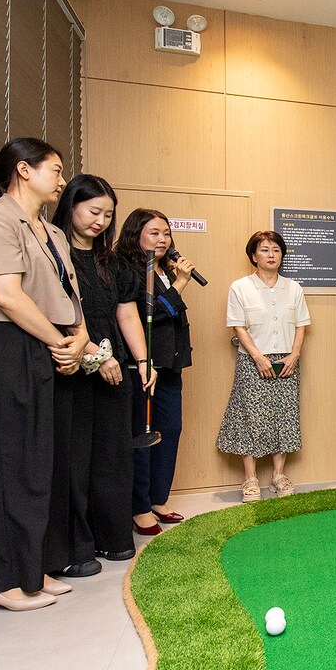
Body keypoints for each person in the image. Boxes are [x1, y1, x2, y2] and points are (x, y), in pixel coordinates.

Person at [0, 138, 86, 612]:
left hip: (48, 346)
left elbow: (70, 298)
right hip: (4, 346)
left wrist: (80, 342)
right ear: (22, 170)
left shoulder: (52, 233)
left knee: (43, 463)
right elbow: (8, 296)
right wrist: (59, 343)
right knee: (4, 463)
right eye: (53, 170)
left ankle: (37, 570)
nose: (61, 180)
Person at [46, 175, 154, 578]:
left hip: (114, 371)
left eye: (108, 215)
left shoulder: (115, 263)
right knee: (75, 458)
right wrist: (97, 355)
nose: (101, 221)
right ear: (71, 206)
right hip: (72, 367)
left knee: (113, 456)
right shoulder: (53, 256)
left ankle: (114, 538)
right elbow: (58, 317)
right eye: (94, 212)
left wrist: (143, 362)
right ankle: (77, 547)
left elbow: (126, 314)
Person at [118, 209, 196, 535]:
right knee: (144, 436)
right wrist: (180, 284)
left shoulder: (165, 269)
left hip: (171, 365)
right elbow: (151, 316)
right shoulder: (130, 271)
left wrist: (176, 280)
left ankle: (159, 498)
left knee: (171, 431)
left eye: (166, 233)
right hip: (144, 367)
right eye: (154, 233)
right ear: (136, 234)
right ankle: (139, 507)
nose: (163, 239)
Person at [218, 231, 310, 502]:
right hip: (252, 358)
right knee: (251, 416)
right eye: (265, 250)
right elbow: (239, 325)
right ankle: (250, 478)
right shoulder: (240, 287)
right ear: (253, 256)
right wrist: (257, 356)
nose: (271, 255)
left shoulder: (293, 287)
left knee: (285, 415)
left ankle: (278, 475)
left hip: (287, 358)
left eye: (276, 250)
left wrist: (295, 354)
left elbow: (302, 324)